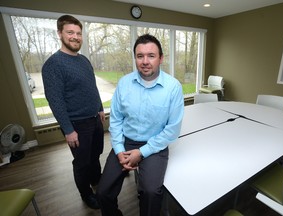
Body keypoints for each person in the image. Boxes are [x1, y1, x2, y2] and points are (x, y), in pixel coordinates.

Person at [97, 34, 184, 216]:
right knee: (103, 192)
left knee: (151, 193)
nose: (145, 61)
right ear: (135, 58)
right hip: (126, 142)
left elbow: (172, 129)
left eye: (151, 55)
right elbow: (116, 119)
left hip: (155, 145)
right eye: (140, 56)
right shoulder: (124, 84)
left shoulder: (173, 87)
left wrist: (142, 153)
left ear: (161, 58)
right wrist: (119, 149)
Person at [42, 15, 105, 210]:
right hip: (77, 125)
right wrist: (68, 130)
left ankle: (97, 180)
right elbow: (56, 101)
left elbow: (92, 87)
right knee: (82, 163)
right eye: (70, 32)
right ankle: (86, 194)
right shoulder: (53, 65)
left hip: (95, 119)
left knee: (96, 155)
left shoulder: (84, 60)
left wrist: (100, 108)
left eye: (78, 33)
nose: (75, 37)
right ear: (60, 33)